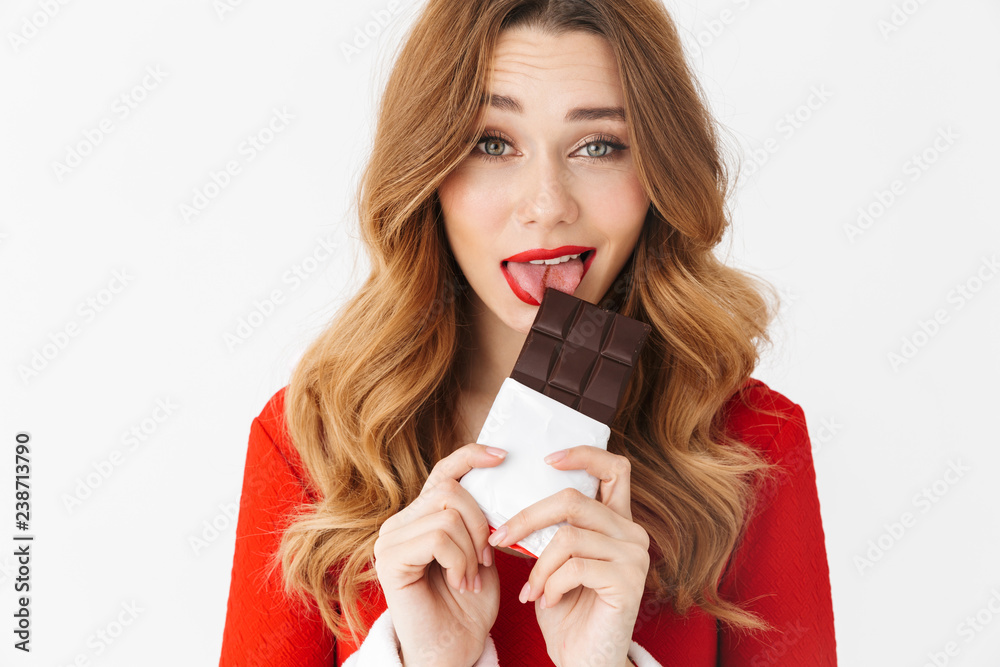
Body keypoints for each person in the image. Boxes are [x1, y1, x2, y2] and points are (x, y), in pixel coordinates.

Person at [219, 0, 837, 665]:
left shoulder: (748, 447)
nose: (547, 205)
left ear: (658, 173)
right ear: (428, 173)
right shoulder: (313, 441)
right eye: (492, 143)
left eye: (599, 144)